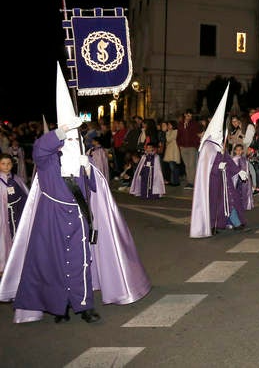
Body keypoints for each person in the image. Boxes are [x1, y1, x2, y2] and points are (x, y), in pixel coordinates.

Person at [0, 65, 151, 323]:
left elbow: (94, 189)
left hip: (79, 217)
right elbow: (39, 148)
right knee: (55, 263)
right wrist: (63, 129)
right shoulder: (48, 161)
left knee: (82, 260)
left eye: (75, 138)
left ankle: (84, 305)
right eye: (68, 139)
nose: (73, 142)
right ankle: (60, 306)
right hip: (52, 218)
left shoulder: (83, 162)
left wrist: (87, 169)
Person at [190, 85, 249, 237]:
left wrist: (239, 171)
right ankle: (213, 225)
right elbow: (206, 166)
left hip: (225, 180)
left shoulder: (218, 145)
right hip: (213, 182)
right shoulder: (208, 146)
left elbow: (227, 159)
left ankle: (235, 223)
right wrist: (218, 167)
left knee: (231, 200)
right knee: (216, 204)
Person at [1, 153, 29, 271]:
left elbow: (25, 195)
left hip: (16, 213)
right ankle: (3, 265)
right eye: (3, 164)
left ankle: (17, 264)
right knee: (3, 238)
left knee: (16, 236)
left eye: (9, 164)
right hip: (3, 215)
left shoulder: (16, 179)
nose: (6, 166)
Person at [177, 109, 201, 189]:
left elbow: (197, 135)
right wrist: (179, 144)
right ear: (185, 115)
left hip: (191, 147)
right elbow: (179, 135)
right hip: (183, 147)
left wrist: (196, 145)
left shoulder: (194, 124)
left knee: (192, 165)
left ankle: (192, 183)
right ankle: (189, 182)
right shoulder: (180, 124)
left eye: (190, 116)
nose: (189, 117)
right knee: (187, 165)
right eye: (188, 115)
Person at [231, 144, 254, 211]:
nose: (238, 151)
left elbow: (247, 169)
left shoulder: (244, 159)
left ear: (242, 151)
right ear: (235, 151)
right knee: (238, 192)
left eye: (240, 150)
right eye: (237, 150)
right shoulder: (234, 159)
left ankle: (244, 204)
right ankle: (237, 205)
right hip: (237, 179)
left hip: (244, 178)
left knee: (244, 192)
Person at [163, 120, 182, 186]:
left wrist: (167, 132)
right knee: (172, 167)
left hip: (173, 151)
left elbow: (168, 139)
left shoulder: (175, 131)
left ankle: (176, 182)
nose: (168, 126)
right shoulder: (171, 131)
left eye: (169, 125)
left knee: (174, 167)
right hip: (170, 152)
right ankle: (173, 181)